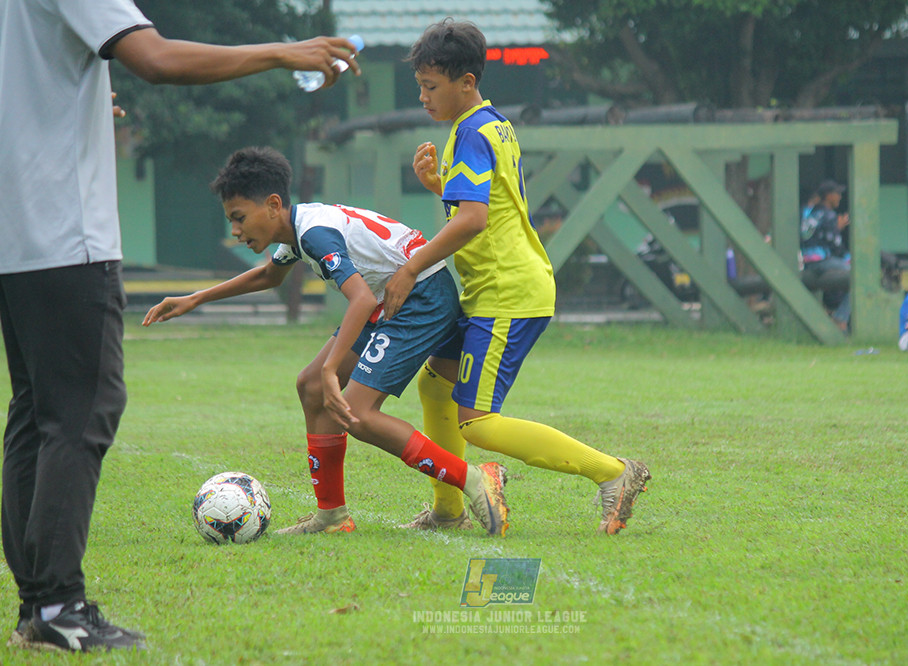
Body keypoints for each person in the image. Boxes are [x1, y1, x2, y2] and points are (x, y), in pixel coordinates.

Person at [0, 0, 361, 652]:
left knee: (35, 413)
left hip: (15, 239)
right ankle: (56, 606)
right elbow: (156, 59)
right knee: (81, 412)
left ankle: (38, 607)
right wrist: (285, 52)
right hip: (65, 237)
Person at [142, 147, 509, 540]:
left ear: (272, 205)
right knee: (312, 385)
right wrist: (194, 299)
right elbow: (269, 276)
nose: (235, 230)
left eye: (239, 218)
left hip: (421, 297)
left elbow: (362, 299)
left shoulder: (313, 233)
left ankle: (474, 479)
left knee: (357, 413)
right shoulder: (299, 229)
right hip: (392, 297)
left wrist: (334, 367)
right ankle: (332, 516)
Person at [382, 19, 651, 537]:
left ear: (466, 82)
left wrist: (410, 267)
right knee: (436, 386)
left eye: (430, 86)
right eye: (420, 86)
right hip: (497, 287)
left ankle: (615, 473)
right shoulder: (493, 123)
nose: (422, 98)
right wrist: (440, 185)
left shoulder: (472, 131)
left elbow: (474, 220)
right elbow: (489, 207)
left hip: (507, 292)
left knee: (478, 420)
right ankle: (447, 510)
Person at [801, 179, 851, 331]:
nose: (840, 197)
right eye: (837, 194)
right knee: (860, 278)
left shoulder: (810, 212)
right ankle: (840, 319)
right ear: (829, 195)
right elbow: (835, 246)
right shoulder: (829, 215)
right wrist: (837, 229)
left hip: (807, 262)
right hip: (822, 262)